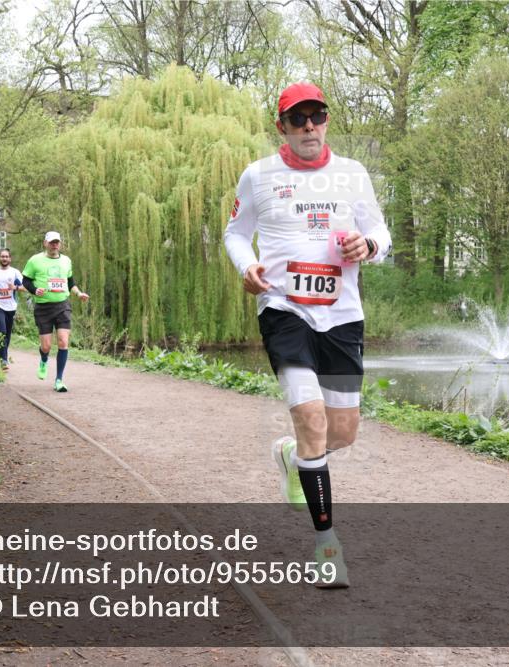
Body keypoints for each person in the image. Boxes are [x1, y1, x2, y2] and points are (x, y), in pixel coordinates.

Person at [223, 82, 392, 588]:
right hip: (284, 308)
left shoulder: (352, 174)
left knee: (342, 433)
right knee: (312, 418)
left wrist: (369, 246)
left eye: (317, 116)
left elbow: (382, 232)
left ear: (326, 120)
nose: (309, 127)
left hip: (341, 313)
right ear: (282, 127)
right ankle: (328, 547)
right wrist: (248, 266)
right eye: (298, 119)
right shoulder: (258, 176)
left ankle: (288, 455)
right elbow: (234, 234)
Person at [21, 231, 89, 392]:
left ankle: (59, 380)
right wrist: (35, 290)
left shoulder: (66, 261)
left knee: (63, 342)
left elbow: (70, 282)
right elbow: (26, 280)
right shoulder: (35, 260)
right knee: (46, 346)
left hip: (62, 305)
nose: (54, 245)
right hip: (43, 307)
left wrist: (79, 293)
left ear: (60, 244)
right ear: (45, 243)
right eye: (51, 242)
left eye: (57, 242)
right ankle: (44, 360)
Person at [0, 249, 25, 371]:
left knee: (7, 333)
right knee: (1, 331)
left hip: (11, 306)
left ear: (10, 259)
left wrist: (15, 287)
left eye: (6, 256)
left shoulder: (15, 272)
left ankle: (4, 356)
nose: (4, 258)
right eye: (2, 256)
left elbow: (25, 287)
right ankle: (3, 360)